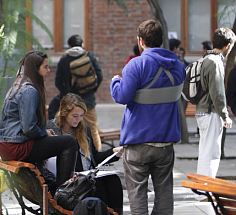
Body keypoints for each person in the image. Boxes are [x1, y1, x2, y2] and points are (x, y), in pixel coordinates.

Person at [110, 19, 186, 214]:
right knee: (164, 194)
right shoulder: (177, 66)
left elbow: (122, 96)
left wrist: (115, 82)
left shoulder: (136, 65)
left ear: (140, 41)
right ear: (161, 40)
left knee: (137, 195)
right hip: (165, 141)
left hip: (138, 141)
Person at [0, 51, 78, 186]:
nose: (49, 70)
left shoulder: (18, 85)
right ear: (36, 69)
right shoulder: (29, 90)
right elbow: (29, 128)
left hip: (8, 145)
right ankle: (64, 192)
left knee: (60, 140)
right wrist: (45, 133)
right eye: (45, 67)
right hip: (16, 147)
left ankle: (57, 187)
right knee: (69, 142)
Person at [46, 93, 124, 215]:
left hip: (86, 176)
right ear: (64, 113)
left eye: (81, 116)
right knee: (97, 186)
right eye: (75, 116)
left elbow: (94, 158)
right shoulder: (51, 128)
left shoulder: (84, 128)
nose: (78, 120)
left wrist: (113, 153)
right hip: (66, 183)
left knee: (113, 180)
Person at [195, 28, 236, 181]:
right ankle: (205, 190)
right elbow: (217, 92)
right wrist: (225, 115)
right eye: (231, 46)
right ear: (227, 45)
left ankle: (201, 188)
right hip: (210, 112)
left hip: (202, 110)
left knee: (205, 151)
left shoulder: (206, 58)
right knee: (211, 153)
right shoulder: (216, 62)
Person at [55, 34, 103, 151]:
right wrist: (91, 90)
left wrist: (65, 94)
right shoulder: (89, 56)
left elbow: (58, 82)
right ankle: (98, 160)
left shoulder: (64, 60)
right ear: (82, 45)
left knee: (67, 130)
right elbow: (99, 76)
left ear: (69, 46)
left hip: (69, 102)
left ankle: (71, 157)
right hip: (88, 101)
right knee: (93, 130)